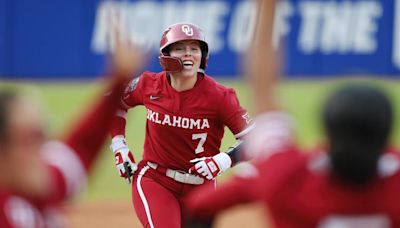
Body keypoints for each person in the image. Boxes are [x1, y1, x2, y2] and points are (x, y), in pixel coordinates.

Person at [184, 0, 400, 227]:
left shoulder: (287, 177)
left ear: (326, 129)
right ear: (387, 136)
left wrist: (266, 8)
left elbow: (198, 206)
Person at [109, 22, 254, 227]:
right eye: (180, 48)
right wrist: (119, 146)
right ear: (165, 55)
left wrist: (222, 161)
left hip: (201, 187)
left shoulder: (220, 96)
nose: (188, 54)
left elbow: (255, 139)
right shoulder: (148, 84)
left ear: (203, 56)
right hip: (156, 180)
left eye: (194, 48)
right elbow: (113, 103)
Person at [0, 36, 144, 227]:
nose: (42, 150)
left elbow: (81, 147)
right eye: (30, 139)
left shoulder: (38, 186)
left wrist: (119, 81)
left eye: (42, 136)